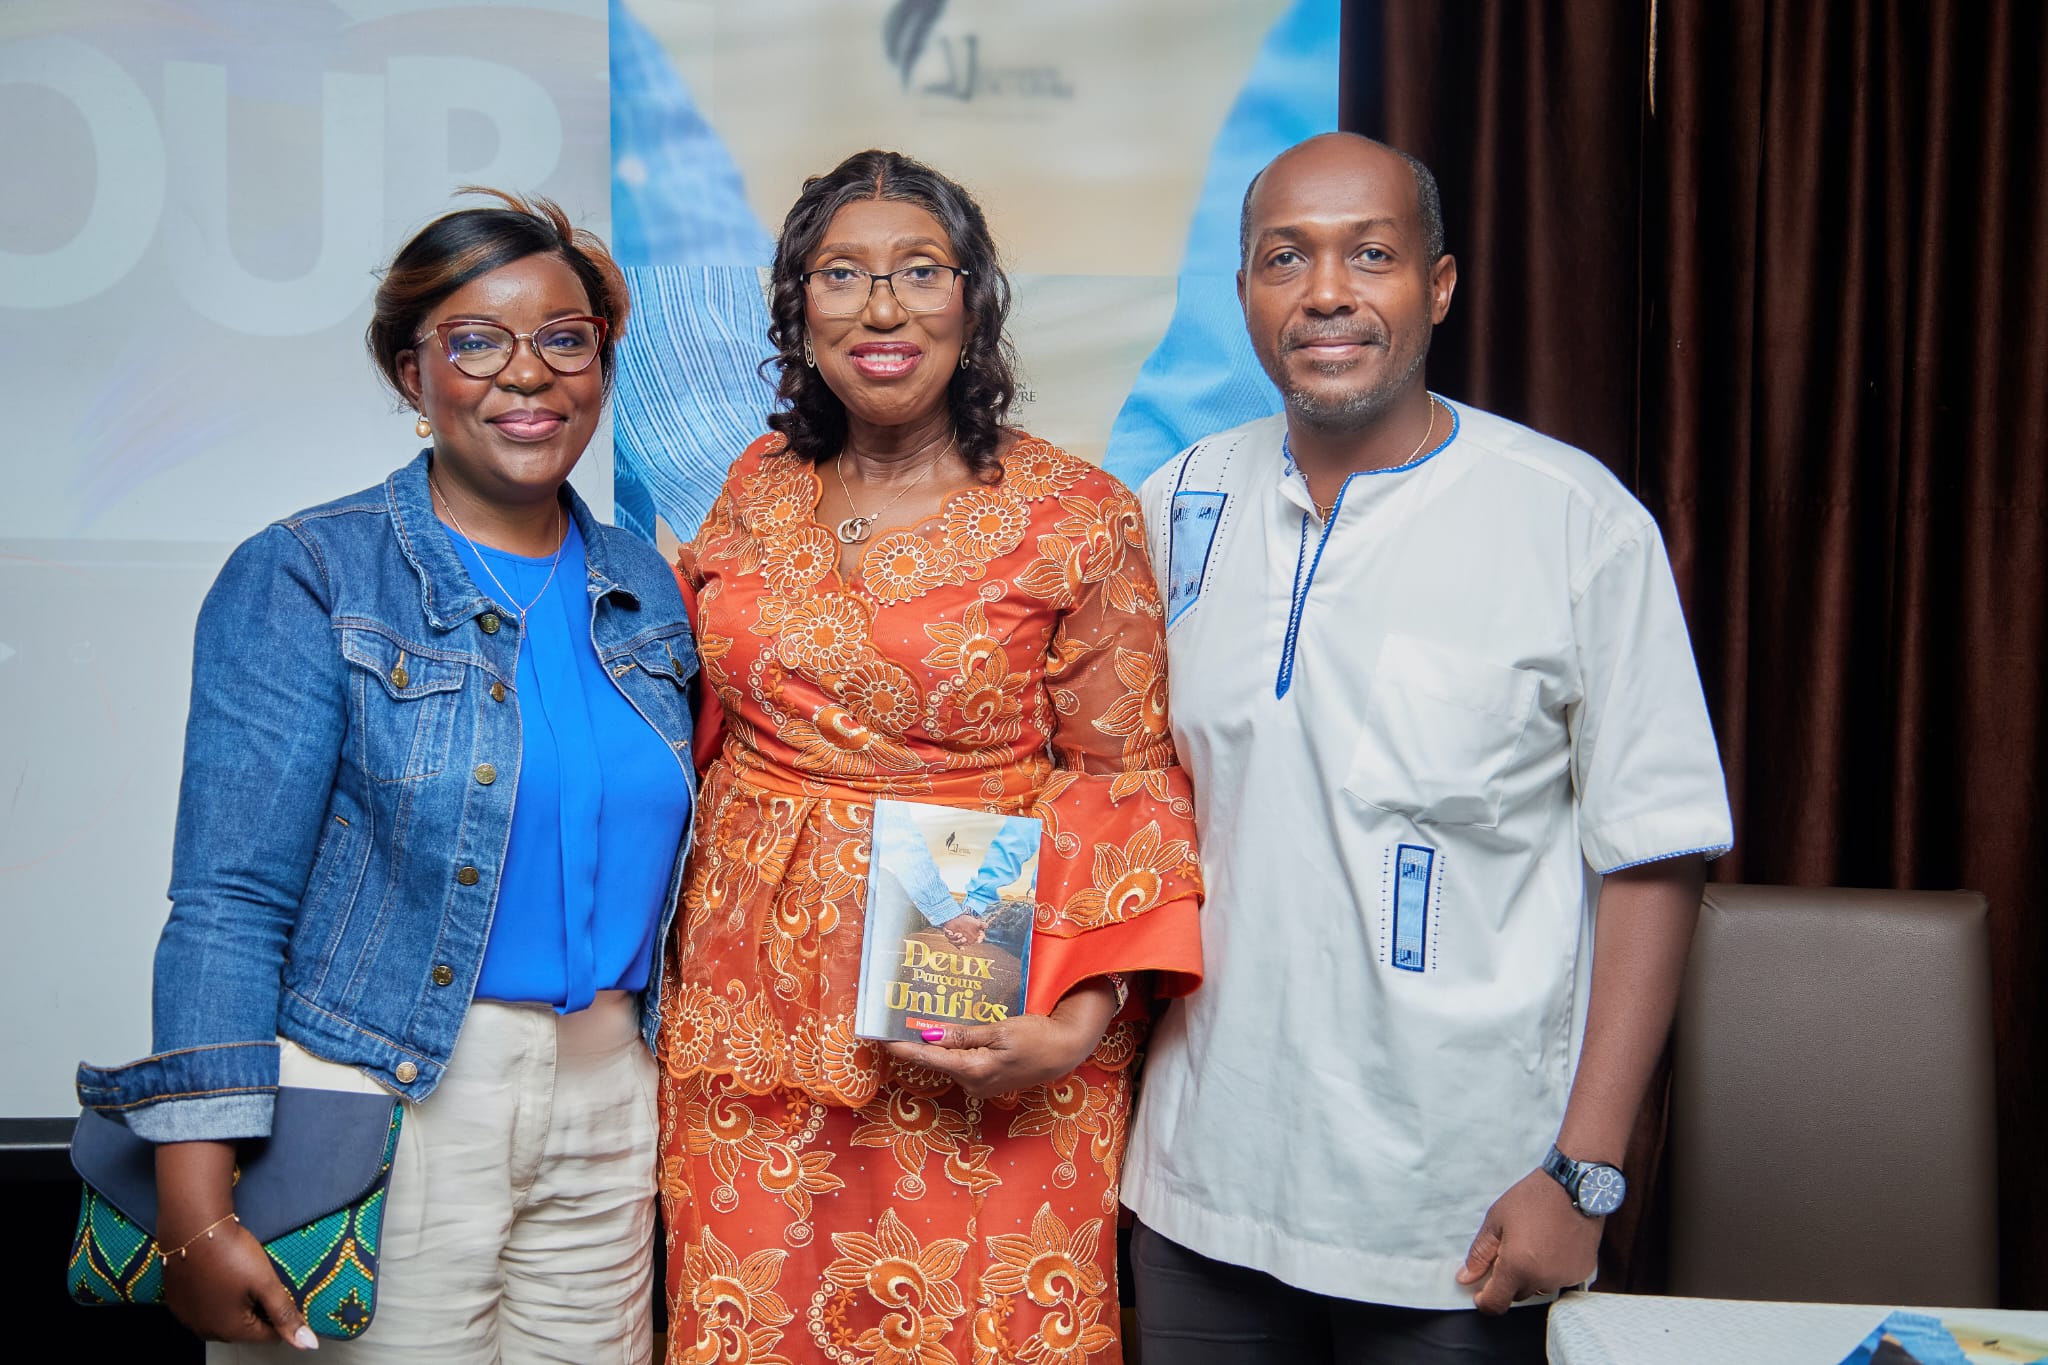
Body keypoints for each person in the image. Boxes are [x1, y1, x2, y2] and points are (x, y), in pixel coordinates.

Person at [1122, 132, 1734, 1362]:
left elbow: (1653, 858)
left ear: (1437, 285)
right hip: (1200, 1193)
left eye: (1371, 255)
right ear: (1243, 292)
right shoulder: (1174, 504)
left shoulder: (1572, 522)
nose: (1325, 292)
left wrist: (1583, 1173)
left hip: (1455, 1216)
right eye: (1284, 258)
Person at [73, 192, 697, 1362]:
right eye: (477, 342)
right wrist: (195, 1206)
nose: (528, 373)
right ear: (412, 373)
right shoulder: (310, 573)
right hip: (387, 1098)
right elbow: (227, 899)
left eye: (565, 339)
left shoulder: (646, 587)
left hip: (612, 1107)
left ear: (601, 366)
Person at [657, 148, 1204, 1365]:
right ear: (798, 307)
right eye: (840, 274)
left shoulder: (1075, 513)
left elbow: (1120, 780)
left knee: (967, 1323)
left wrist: (1079, 1016)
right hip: (748, 1010)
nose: (882, 308)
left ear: (973, 299)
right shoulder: (754, 486)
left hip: (978, 992)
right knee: (755, 1322)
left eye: (918, 271)